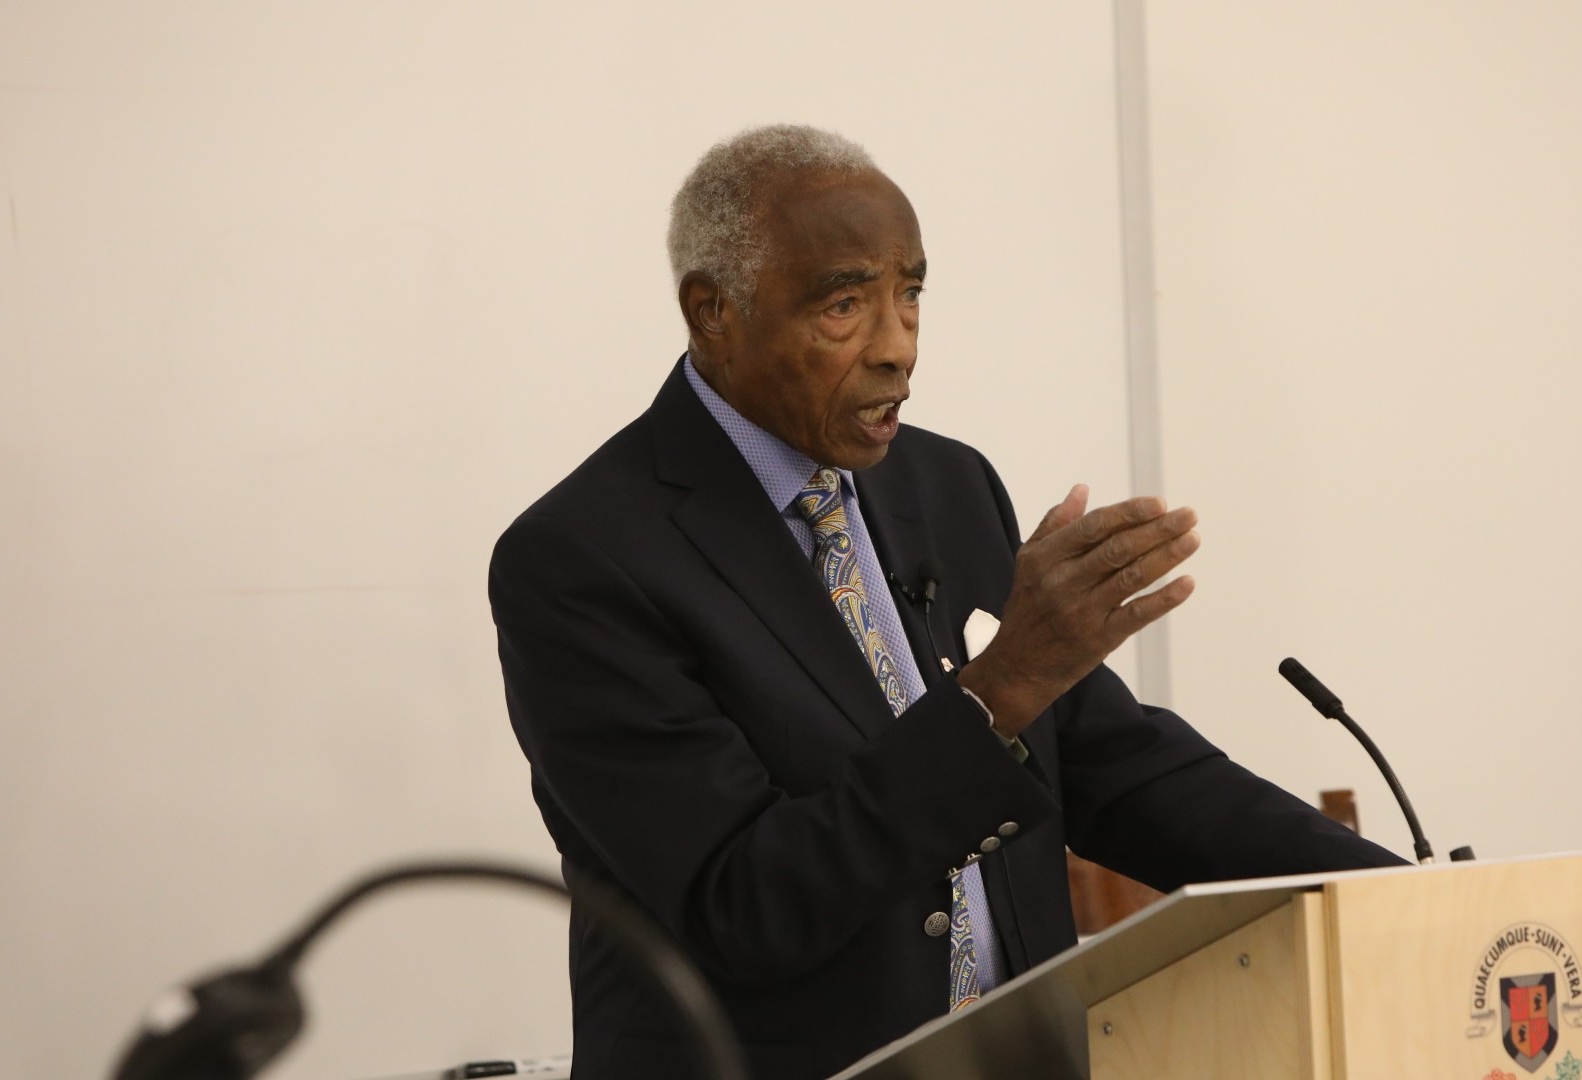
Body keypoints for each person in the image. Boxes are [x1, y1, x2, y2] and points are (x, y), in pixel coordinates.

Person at [489, 124, 1404, 1080]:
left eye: (911, 294)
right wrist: (1000, 687)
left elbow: (1117, 770)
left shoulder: (948, 485)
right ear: (714, 311)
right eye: (846, 304)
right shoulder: (582, 559)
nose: (897, 347)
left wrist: (1393, 899)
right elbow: (744, 903)